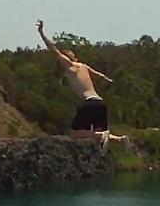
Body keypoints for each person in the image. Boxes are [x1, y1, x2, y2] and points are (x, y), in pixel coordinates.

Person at [36, 20, 127, 148]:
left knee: (74, 133)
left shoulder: (70, 67)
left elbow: (54, 49)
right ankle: (120, 139)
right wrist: (109, 81)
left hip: (89, 103)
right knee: (95, 133)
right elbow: (100, 76)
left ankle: (102, 136)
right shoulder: (84, 66)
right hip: (100, 102)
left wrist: (41, 32)